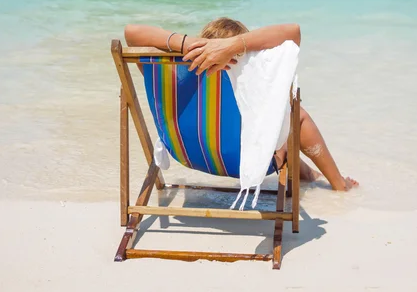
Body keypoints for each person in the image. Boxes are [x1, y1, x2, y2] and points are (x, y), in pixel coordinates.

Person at [125, 17, 359, 191]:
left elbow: (132, 32)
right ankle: (338, 184)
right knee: (295, 117)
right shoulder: (254, 81)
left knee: (280, 122)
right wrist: (236, 47)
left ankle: (305, 172)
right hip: (252, 162)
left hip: (188, 155)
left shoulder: (174, 78)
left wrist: (188, 46)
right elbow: (292, 32)